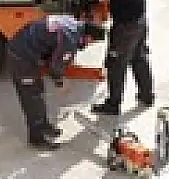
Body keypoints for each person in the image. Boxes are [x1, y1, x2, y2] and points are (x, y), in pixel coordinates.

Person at [7, 14, 106, 149]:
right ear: (89, 37)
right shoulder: (70, 39)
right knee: (32, 98)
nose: (89, 45)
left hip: (26, 49)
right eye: (92, 42)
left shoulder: (73, 23)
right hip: (21, 57)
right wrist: (60, 81)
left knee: (38, 92)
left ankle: (44, 126)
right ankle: (37, 138)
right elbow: (56, 65)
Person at [89, 0, 154, 116]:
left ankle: (113, 104)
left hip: (124, 29)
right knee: (139, 58)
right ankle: (147, 95)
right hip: (140, 24)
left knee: (116, 65)